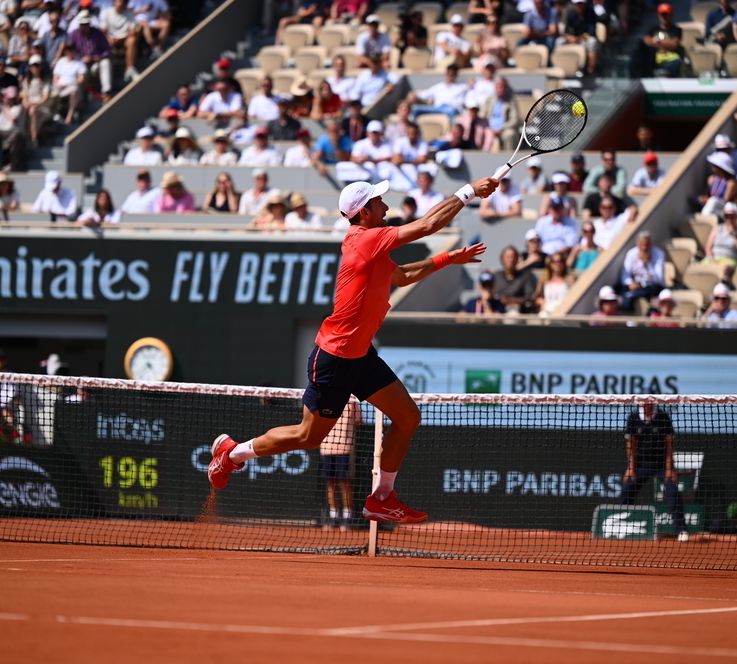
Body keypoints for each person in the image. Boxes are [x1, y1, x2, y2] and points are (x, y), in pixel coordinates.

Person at [207, 176, 498, 527]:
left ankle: (382, 498)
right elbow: (429, 224)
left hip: (361, 356)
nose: (386, 207)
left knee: (407, 417)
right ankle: (232, 453)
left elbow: (402, 276)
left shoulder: (374, 247)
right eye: (379, 203)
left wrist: (448, 258)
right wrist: (469, 191)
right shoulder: (365, 240)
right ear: (363, 213)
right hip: (335, 358)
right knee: (308, 436)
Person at [617, 394, 689, 542]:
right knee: (627, 489)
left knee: (672, 491)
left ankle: (681, 530)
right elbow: (631, 443)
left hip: (662, 464)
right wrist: (631, 468)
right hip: (641, 463)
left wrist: (670, 469)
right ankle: (617, 525)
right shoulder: (633, 417)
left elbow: (669, 446)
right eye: (644, 401)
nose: (646, 404)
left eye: (649, 401)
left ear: (653, 403)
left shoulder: (663, 417)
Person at [319, 397, 360, 529]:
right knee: (330, 481)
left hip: (345, 447)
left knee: (344, 481)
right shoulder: (322, 398)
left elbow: (358, 421)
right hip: (326, 446)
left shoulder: (352, 400)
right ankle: (334, 516)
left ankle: (348, 516)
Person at [631, 3, 681, 78]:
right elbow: (647, 41)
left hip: (669, 58)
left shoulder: (676, 30)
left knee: (676, 62)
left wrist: (657, 40)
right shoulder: (652, 29)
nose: (664, 17)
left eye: (666, 14)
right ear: (657, 15)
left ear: (671, 15)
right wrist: (667, 42)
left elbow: (674, 45)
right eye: (662, 14)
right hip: (653, 58)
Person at [619, 231, 665, 311]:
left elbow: (658, 279)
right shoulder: (631, 253)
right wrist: (630, 283)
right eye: (641, 245)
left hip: (652, 286)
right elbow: (625, 274)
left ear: (651, 244)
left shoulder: (659, 254)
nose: (644, 248)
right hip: (635, 285)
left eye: (646, 245)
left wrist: (647, 264)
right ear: (637, 244)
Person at [705, 202, 737, 278]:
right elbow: (708, 247)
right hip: (713, 258)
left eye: (732, 217)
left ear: (736, 217)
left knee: (724, 269)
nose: (730, 219)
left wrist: (735, 235)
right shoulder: (717, 228)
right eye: (727, 216)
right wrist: (712, 261)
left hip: (729, 259)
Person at [480, 76, 521, 150]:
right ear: (495, 88)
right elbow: (482, 115)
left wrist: (501, 128)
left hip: (504, 129)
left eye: (502, 87)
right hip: (489, 128)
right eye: (498, 87)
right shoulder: (488, 100)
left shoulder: (511, 101)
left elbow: (515, 120)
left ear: (506, 88)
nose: (500, 89)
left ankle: (509, 159)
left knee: (510, 134)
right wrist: (488, 127)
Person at [493, 245, 537, 313]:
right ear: (502, 259)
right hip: (496, 307)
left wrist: (511, 301)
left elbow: (529, 297)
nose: (511, 260)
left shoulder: (525, 276)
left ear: (517, 259)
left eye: (513, 257)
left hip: (515, 308)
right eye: (508, 257)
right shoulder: (496, 276)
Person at [21, 54, 53, 147]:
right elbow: (24, 96)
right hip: (30, 106)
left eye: (37, 65)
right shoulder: (26, 81)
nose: (35, 68)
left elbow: (45, 97)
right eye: (33, 66)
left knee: (33, 111)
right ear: (30, 68)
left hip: (43, 108)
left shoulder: (46, 80)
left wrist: (35, 105)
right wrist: (26, 104)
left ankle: (33, 139)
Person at [52, 41, 87, 126]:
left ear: (75, 51)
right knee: (52, 91)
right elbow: (55, 78)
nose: (70, 52)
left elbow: (81, 80)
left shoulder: (80, 63)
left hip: (72, 86)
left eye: (71, 49)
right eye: (68, 50)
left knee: (74, 91)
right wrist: (58, 84)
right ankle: (54, 114)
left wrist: (68, 85)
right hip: (59, 86)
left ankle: (69, 117)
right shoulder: (60, 61)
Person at [698, 151, 737, 217]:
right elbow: (706, 194)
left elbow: (726, 200)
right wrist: (703, 199)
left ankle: (704, 218)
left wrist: (710, 200)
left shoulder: (731, 182)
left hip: (723, 208)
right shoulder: (711, 178)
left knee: (713, 201)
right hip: (709, 205)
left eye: (715, 165)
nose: (713, 166)